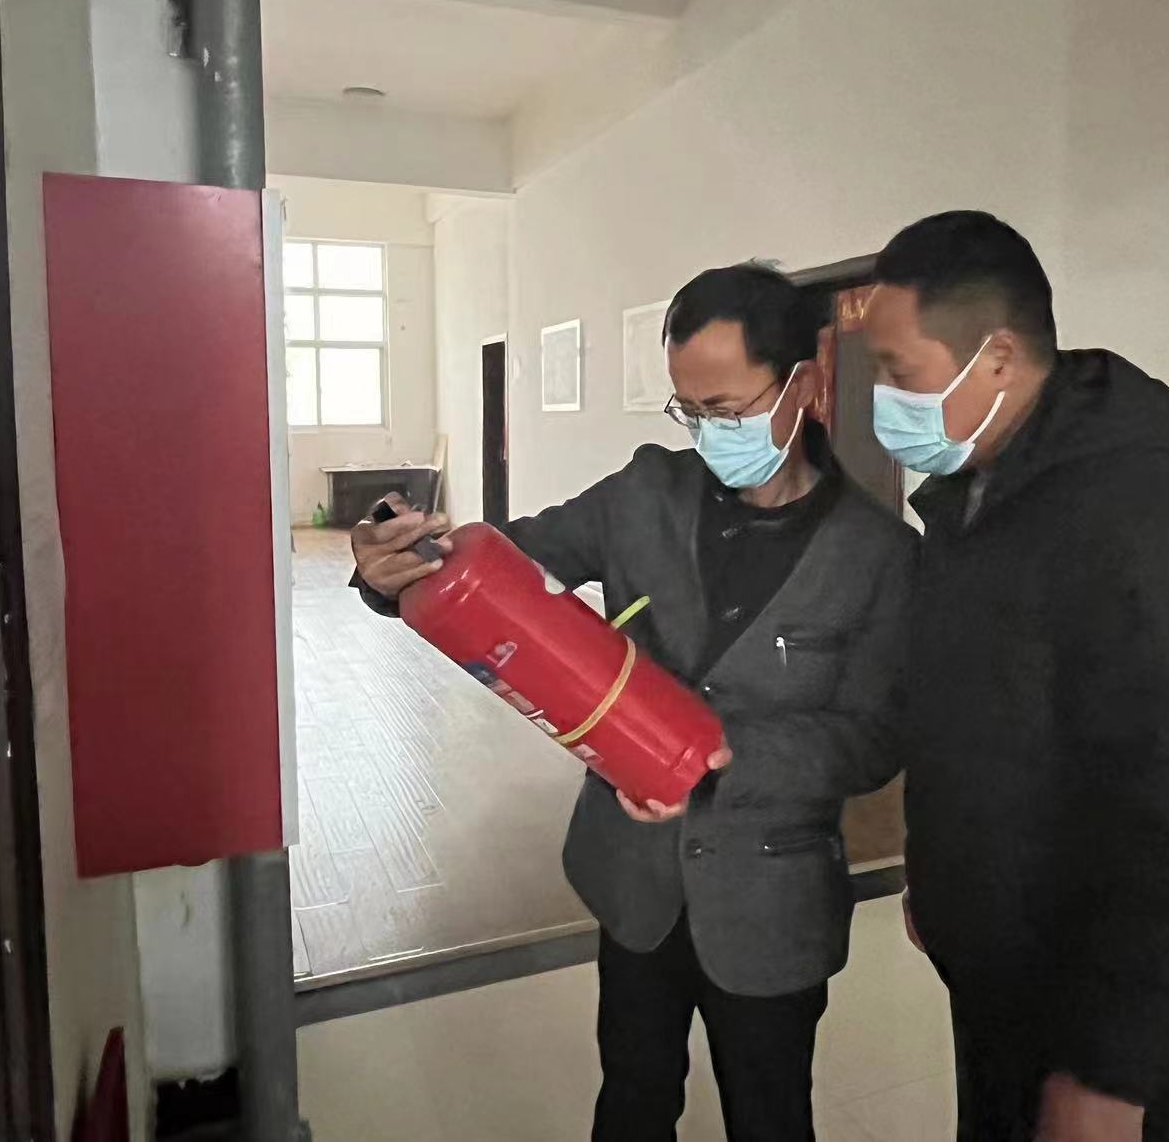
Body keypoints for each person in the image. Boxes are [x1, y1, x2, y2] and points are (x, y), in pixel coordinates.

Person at [351, 263, 917, 1142]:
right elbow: (506, 564)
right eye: (688, 411)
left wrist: (714, 754)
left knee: (771, 1118)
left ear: (804, 386)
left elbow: (874, 739)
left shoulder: (878, 554)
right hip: (636, 883)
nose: (708, 433)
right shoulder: (647, 492)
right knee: (632, 1099)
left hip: (769, 900)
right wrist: (393, 572)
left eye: (726, 409)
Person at [863, 212, 1169, 1142]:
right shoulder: (976, 495)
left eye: (900, 372)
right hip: (1000, 961)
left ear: (998, 358)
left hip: (1092, 999)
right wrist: (943, 882)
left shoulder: (1136, 518)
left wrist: (1114, 1073)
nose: (886, 401)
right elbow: (975, 718)